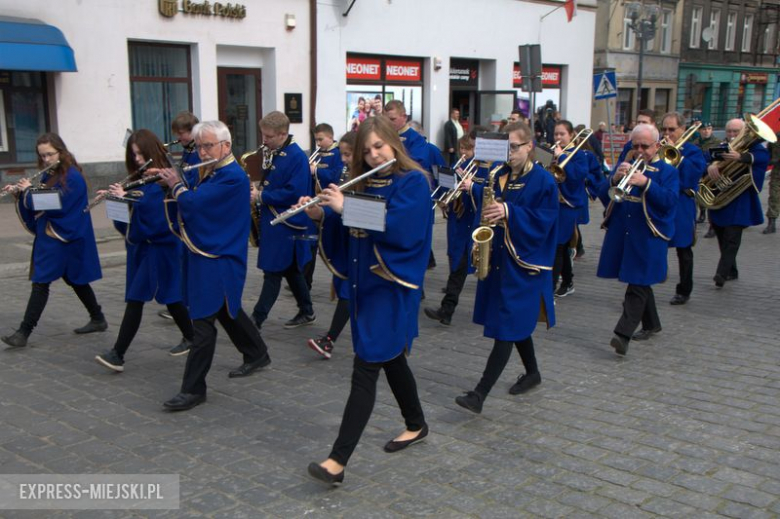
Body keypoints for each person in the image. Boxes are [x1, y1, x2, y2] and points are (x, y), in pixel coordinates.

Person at [302, 116, 432, 487]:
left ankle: (337, 461)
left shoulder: (413, 183)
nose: (374, 155)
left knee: (366, 368)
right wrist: (319, 213)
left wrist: (345, 208)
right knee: (389, 357)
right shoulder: (363, 181)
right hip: (365, 286)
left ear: (394, 143)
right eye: (367, 149)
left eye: (380, 146)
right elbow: (348, 229)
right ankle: (416, 423)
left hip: (391, 286)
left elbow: (399, 227)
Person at [157, 120, 271, 411]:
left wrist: (177, 185)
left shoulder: (232, 175)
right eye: (200, 146)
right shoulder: (213, 171)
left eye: (208, 146)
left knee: (203, 323)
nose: (203, 152)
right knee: (225, 308)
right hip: (209, 253)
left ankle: (193, 389)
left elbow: (195, 205)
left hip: (220, 256)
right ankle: (257, 352)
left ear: (226, 146)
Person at [454, 122, 558, 414]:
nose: (509, 154)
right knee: (516, 323)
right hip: (500, 258)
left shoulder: (543, 181)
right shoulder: (498, 174)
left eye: (514, 148)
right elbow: (488, 206)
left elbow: (546, 220)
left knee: (505, 327)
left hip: (525, 262)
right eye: (506, 148)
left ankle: (479, 394)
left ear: (529, 147)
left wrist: (509, 211)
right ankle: (533, 373)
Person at [94, 130, 194, 372]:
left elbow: (158, 217)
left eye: (141, 153)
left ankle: (118, 353)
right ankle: (191, 337)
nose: (137, 159)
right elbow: (127, 226)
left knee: (164, 297)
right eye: (133, 154)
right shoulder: (140, 177)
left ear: (152, 151)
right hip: (145, 250)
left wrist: (127, 199)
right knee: (155, 297)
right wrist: (116, 202)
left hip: (163, 248)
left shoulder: (165, 177)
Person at [2, 133, 106, 348]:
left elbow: (55, 203)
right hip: (54, 235)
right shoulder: (50, 174)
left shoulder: (73, 176)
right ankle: (98, 318)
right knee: (74, 279)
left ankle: (23, 332)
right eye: (42, 156)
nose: (46, 159)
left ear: (61, 152)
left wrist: (28, 193)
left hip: (64, 235)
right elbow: (42, 198)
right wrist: (20, 193)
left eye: (50, 154)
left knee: (42, 282)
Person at [597, 124, 678, 356]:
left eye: (646, 146)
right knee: (640, 279)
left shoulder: (668, 171)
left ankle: (622, 334)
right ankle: (652, 323)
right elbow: (604, 195)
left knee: (638, 283)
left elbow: (670, 202)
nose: (640, 151)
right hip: (626, 233)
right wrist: (614, 179)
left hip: (650, 234)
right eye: (636, 146)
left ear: (657, 145)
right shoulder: (627, 166)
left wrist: (646, 184)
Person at [250, 111, 316, 330]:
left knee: (273, 270)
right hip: (275, 218)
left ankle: (256, 319)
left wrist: (262, 196)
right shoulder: (276, 150)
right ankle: (307, 311)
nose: (264, 140)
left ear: (282, 134)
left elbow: (294, 192)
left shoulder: (296, 156)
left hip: (287, 221)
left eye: (268, 137)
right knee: (291, 269)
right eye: (263, 136)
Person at [424, 135, 487, 325]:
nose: (463, 153)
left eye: (468, 149)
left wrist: (472, 186)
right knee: (457, 264)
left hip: (472, 224)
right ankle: (447, 311)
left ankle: (447, 309)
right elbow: (449, 189)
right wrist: (445, 198)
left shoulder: (484, 169)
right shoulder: (461, 166)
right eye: (461, 149)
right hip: (459, 222)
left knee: (463, 266)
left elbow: (487, 195)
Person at [307, 131, 357, 359]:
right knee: (349, 289)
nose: (343, 159)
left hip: (361, 245)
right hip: (347, 240)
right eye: (343, 154)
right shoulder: (348, 172)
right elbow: (337, 210)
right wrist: (319, 212)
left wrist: (342, 208)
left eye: (348, 154)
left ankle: (330, 339)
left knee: (350, 289)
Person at [706, 118, 771, 287]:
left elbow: (763, 157)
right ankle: (732, 270)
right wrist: (711, 165)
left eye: (736, 131)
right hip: (721, 199)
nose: (732, 135)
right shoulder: (721, 146)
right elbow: (706, 157)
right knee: (721, 235)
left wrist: (741, 157)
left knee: (732, 237)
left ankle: (721, 274)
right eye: (729, 131)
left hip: (741, 199)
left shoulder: (753, 147)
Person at [659, 113, 707, 307]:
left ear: (683, 130)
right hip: (661, 200)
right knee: (656, 242)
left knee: (683, 248)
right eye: (664, 129)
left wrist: (677, 156)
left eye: (672, 129)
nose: (667, 133)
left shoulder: (693, 151)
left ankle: (684, 289)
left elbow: (691, 177)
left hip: (682, 203)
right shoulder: (658, 148)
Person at [550, 121, 588, 298]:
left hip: (568, 205)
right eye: (556, 134)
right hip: (553, 204)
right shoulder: (554, 153)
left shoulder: (578, 154)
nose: (558, 138)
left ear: (571, 135)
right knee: (562, 245)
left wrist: (562, 158)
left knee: (558, 245)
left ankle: (549, 288)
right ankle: (568, 281)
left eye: (562, 134)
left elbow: (576, 176)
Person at [304, 123, 343, 290]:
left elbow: (337, 176)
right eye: (316, 140)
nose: (318, 143)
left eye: (321, 139)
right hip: (315, 200)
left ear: (330, 136)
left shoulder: (338, 153)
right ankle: (305, 281)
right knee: (309, 243)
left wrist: (316, 171)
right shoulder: (317, 153)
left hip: (329, 201)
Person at [384, 100, 431, 172]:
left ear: (405, 117)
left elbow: (417, 165)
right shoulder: (383, 136)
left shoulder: (417, 139)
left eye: (392, 119)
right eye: (386, 120)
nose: (389, 123)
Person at [762, 133, 780, 234]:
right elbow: (768, 154)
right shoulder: (775, 138)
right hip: (777, 172)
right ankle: (771, 224)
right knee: (774, 197)